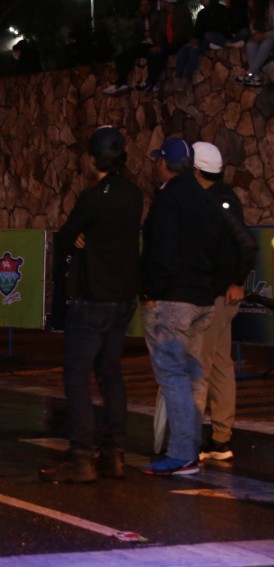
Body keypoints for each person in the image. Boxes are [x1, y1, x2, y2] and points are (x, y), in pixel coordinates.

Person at [39, 127, 143, 483]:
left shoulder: (92, 197)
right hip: (123, 297)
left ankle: (81, 455)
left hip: (93, 297)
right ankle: (115, 453)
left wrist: (80, 237)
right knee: (111, 374)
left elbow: (67, 237)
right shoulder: (134, 194)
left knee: (77, 374)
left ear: (94, 158)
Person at [140, 138, 224, 476]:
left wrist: (150, 290)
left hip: (173, 301)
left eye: (158, 160)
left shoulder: (167, 199)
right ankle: (189, 449)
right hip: (203, 300)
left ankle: (180, 453)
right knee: (192, 377)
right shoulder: (206, 200)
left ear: (164, 164)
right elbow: (223, 248)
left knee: (172, 375)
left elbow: (159, 251)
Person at [191, 142, 258, 461]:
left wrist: (237, 282)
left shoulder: (217, 201)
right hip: (220, 294)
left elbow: (247, 244)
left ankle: (190, 441)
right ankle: (220, 438)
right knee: (219, 363)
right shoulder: (222, 196)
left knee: (202, 364)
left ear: (196, 170)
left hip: (216, 295)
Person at [104, 0, 163, 95]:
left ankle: (123, 83)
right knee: (121, 56)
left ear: (151, 5)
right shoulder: (139, 18)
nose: (144, 7)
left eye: (147, 5)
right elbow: (135, 33)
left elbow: (161, 32)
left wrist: (152, 36)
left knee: (135, 53)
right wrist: (141, 35)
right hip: (143, 44)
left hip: (154, 44)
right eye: (142, 5)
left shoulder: (157, 17)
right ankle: (121, 82)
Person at [173, 0, 230, 92]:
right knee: (183, 50)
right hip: (201, 40)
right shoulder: (202, 13)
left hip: (213, 39)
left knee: (194, 50)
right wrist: (194, 39)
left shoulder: (221, 10)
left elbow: (221, 28)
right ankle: (178, 79)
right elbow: (198, 31)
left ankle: (187, 79)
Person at [236, 0, 274, 86]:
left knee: (266, 44)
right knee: (250, 45)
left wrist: (263, 35)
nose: (248, 2)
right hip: (263, 35)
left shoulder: (271, 7)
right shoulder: (252, 11)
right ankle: (256, 76)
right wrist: (255, 35)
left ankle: (250, 73)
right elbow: (253, 28)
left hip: (271, 35)